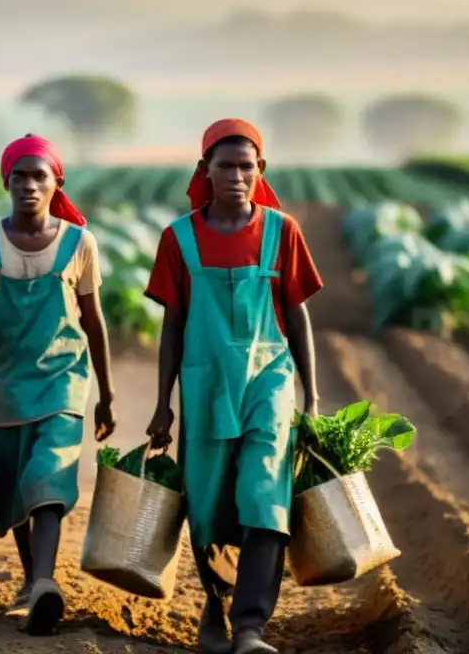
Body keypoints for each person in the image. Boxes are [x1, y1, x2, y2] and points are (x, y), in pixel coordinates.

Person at [144, 119, 324, 654]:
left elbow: (297, 316)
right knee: (208, 503)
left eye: (247, 165)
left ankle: (250, 626)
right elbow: (173, 323)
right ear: (206, 171)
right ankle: (215, 606)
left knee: (265, 496)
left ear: (260, 169)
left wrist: (310, 397)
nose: (237, 175)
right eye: (226, 165)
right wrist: (161, 405)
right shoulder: (178, 237)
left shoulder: (281, 230)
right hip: (203, 386)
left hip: (267, 382)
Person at [0, 134, 116, 635]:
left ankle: (43, 582)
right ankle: (31, 580)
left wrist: (106, 391)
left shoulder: (80, 243)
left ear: (57, 183)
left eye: (40, 177)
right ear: (6, 183)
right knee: (12, 491)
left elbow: (94, 321)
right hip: (6, 387)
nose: (30, 186)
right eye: (20, 177)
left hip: (63, 381)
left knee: (48, 478)